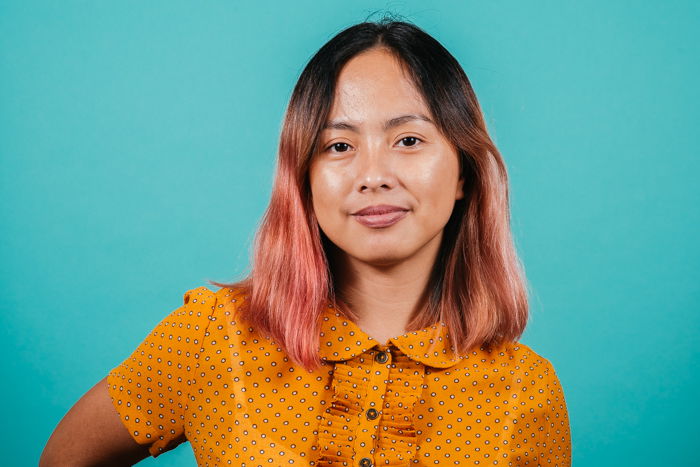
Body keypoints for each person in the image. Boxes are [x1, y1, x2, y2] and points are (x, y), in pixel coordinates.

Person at [41, 17, 572, 466]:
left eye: (408, 140)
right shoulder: (214, 337)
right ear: (304, 177)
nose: (373, 174)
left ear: (464, 172)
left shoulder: (525, 394)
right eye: (338, 145)